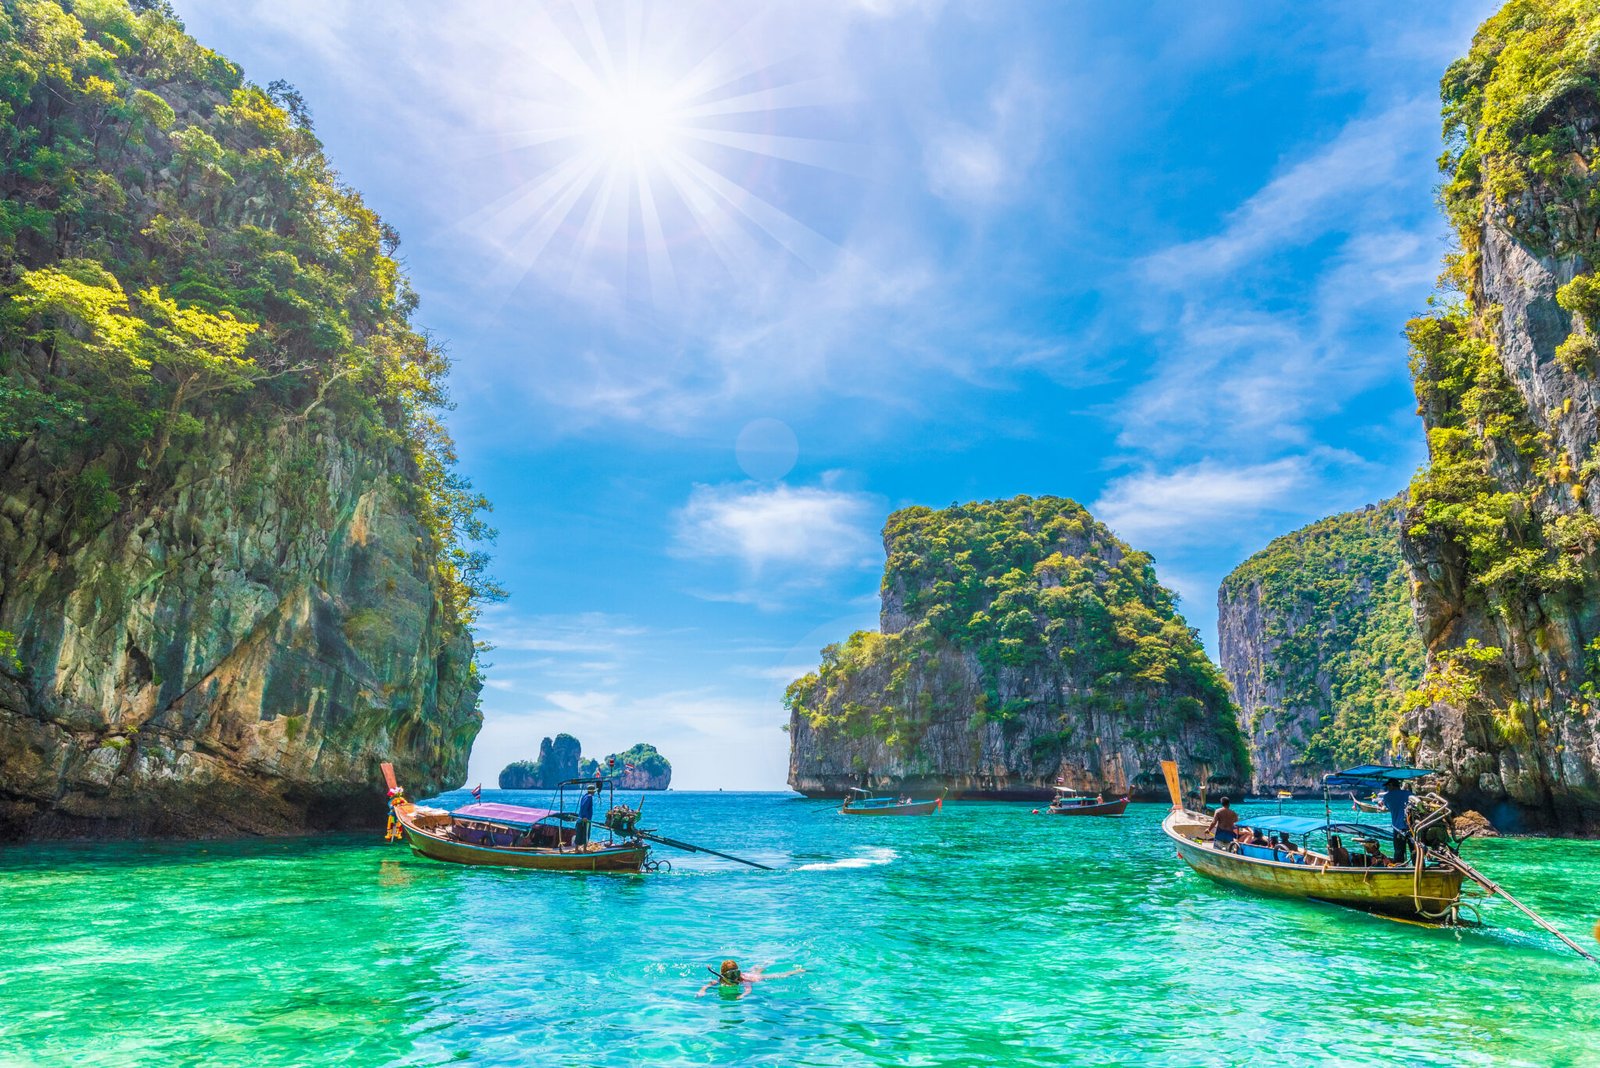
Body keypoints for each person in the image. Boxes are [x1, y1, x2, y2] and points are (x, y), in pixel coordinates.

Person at [697, 959, 804, 999]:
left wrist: (742, 995)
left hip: (754, 978)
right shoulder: (721, 979)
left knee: (780, 975)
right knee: (755, 970)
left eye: (736, 974)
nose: (734, 977)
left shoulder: (742, 979)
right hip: (749, 974)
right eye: (731, 975)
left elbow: (748, 989)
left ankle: (797, 971)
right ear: (723, 974)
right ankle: (764, 963)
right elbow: (708, 985)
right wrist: (702, 991)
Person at [1380, 778, 1413, 864]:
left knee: (1399, 853)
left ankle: (1399, 871)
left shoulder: (1387, 796)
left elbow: (1387, 806)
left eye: (1387, 787)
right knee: (1415, 851)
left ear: (1391, 785)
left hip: (1398, 828)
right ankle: (1419, 868)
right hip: (1412, 827)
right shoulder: (1409, 794)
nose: (1387, 789)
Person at [575, 785, 597, 849]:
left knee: (579, 834)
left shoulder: (584, 796)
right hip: (585, 819)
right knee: (586, 834)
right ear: (593, 791)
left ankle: (577, 849)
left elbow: (582, 807)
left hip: (581, 818)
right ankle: (584, 849)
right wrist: (585, 816)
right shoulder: (589, 797)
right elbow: (584, 806)